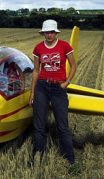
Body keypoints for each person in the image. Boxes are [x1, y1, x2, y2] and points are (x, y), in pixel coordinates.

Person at [29, 19, 76, 164]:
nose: (49, 35)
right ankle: (38, 157)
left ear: (56, 33)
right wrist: (32, 93)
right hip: (41, 87)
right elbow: (36, 71)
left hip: (58, 88)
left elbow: (73, 65)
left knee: (62, 126)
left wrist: (66, 83)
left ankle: (69, 159)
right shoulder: (38, 48)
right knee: (39, 125)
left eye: (51, 32)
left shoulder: (64, 46)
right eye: (46, 32)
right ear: (42, 33)